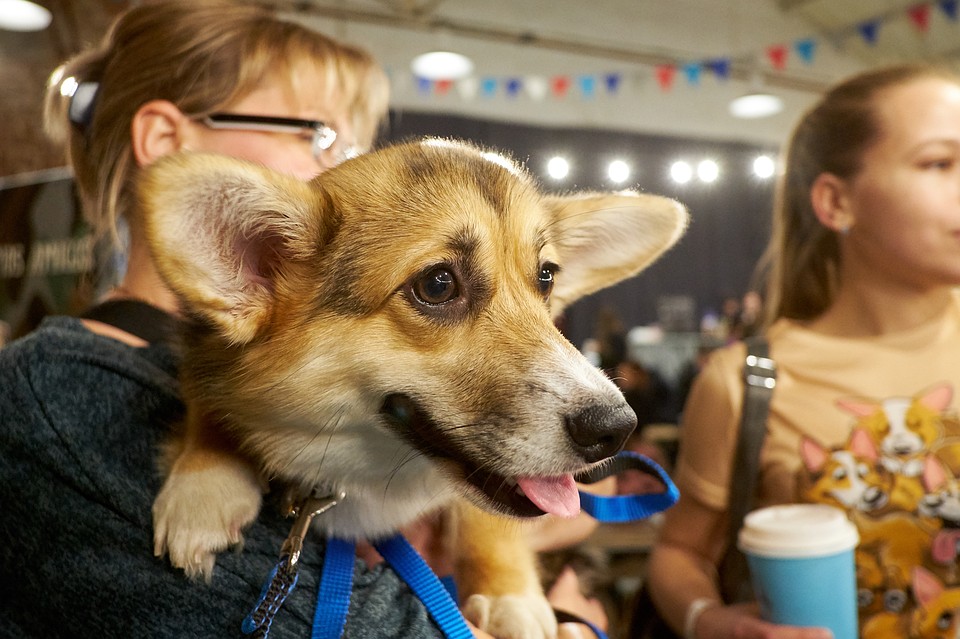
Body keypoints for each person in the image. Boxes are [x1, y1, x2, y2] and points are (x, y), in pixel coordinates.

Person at [0, 2, 610, 637]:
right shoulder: (57, 394)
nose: (359, 166)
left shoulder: (327, 367)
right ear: (164, 139)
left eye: (357, 141)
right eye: (319, 135)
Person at [645, 63, 960, 639]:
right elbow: (679, 554)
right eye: (940, 163)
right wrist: (710, 620)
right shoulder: (746, 383)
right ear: (836, 202)